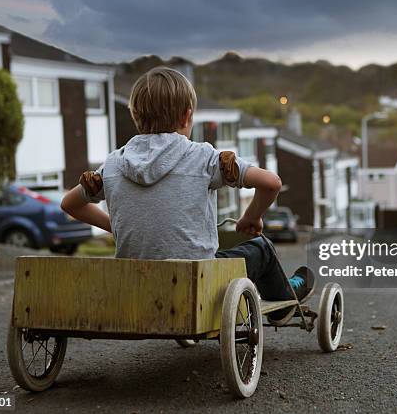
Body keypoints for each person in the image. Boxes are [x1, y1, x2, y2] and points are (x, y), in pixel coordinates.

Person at [61, 66, 314, 323]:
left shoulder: (114, 164)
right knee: (262, 247)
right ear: (187, 116)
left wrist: (115, 225)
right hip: (200, 285)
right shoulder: (202, 157)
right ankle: (285, 300)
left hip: (138, 289)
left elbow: (70, 204)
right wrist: (251, 217)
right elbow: (272, 183)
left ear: (135, 116)